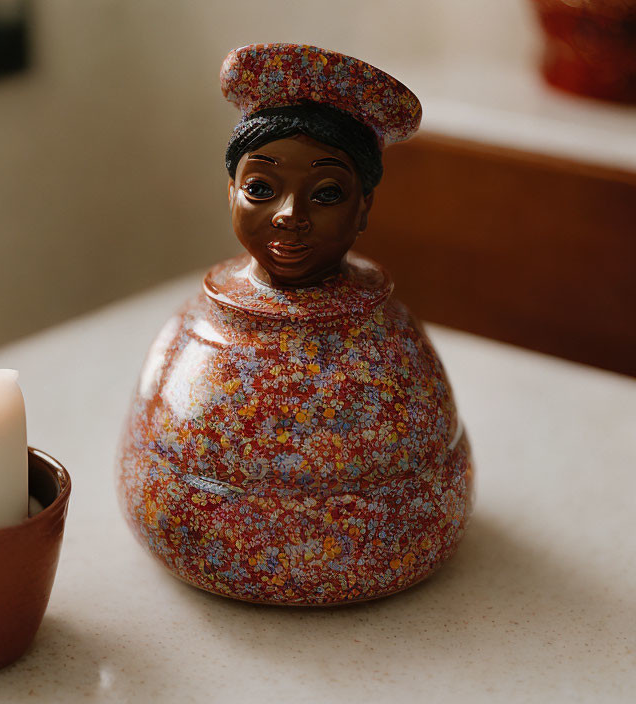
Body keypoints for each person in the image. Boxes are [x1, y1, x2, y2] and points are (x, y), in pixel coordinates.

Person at [117, 44, 473, 605]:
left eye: (327, 193)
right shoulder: (197, 327)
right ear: (230, 191)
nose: (288, 214)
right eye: (260, 187)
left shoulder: (389, 338)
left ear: (364, 208)